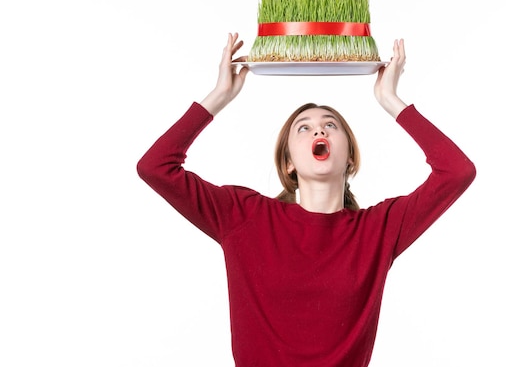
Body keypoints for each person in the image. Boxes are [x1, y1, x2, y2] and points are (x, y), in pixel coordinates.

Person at [137, 32, 476, 367]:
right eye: (304, 127)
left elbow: (456, 172)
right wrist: (219, 96)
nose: (319, 131)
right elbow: (156, 167)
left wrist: (390, 99)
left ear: (349, 158)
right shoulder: (244, 216)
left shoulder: (378, 230)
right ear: (288, 162)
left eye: (331, 125)